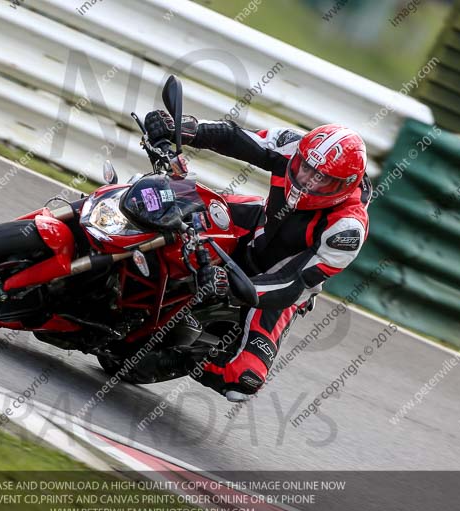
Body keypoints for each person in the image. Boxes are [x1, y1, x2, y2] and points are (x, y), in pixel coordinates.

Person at [144, 110, 371, 402]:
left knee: (244, 380)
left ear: (345, 186)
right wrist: (183, 129)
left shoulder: (347, 229)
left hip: (275, 289)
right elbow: (235, 137)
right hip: (257, 225)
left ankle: (178, 358)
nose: (307, 181)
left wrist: (233, 285)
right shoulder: (295, 146)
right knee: (171, 200)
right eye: (304, 168)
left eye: (321, 181)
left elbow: (294, 283)